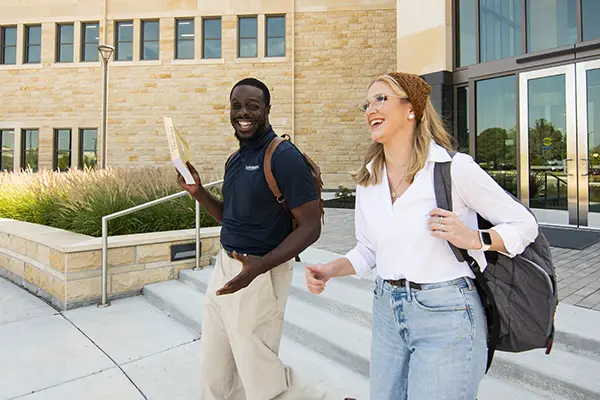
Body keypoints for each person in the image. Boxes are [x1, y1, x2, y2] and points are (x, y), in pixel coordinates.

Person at [305, 72, 539, 400]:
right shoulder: (368, 178)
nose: (370, 108)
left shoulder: (453, 169)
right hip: (388, 310)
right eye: (367, 103)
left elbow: (524, 224)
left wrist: (474, 238)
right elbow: (369, 249)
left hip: (448, 314)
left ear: (411, 108)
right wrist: (330, 269)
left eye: (381, 98)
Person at [178, 78, 325, 400]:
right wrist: (199, 192)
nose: (243, 113)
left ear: (267, 110)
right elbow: (230, 217)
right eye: (237, 106)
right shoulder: (235, 159)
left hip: (262, 273)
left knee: (260, 374)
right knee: (215, 369)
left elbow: (311, 227)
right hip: (227, 267)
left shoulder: (284, 157)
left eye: (252, 106)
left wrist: (259, 267)